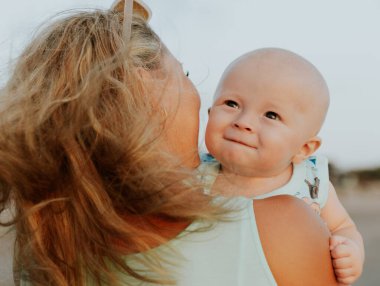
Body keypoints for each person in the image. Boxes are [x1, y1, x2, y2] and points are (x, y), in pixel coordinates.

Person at [0, 1, 339, 285]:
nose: (198, 96)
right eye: (184, 75)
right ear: (142, 88)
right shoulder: (282, 229)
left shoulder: (43, 254)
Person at [205, 48, 364, 285]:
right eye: (231, 103)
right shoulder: (193, 174)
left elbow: (344, 226)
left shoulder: (312, 183)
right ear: (209, 113)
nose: (243, 122)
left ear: (304, 149)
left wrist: (351, 251)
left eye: (271, 115)